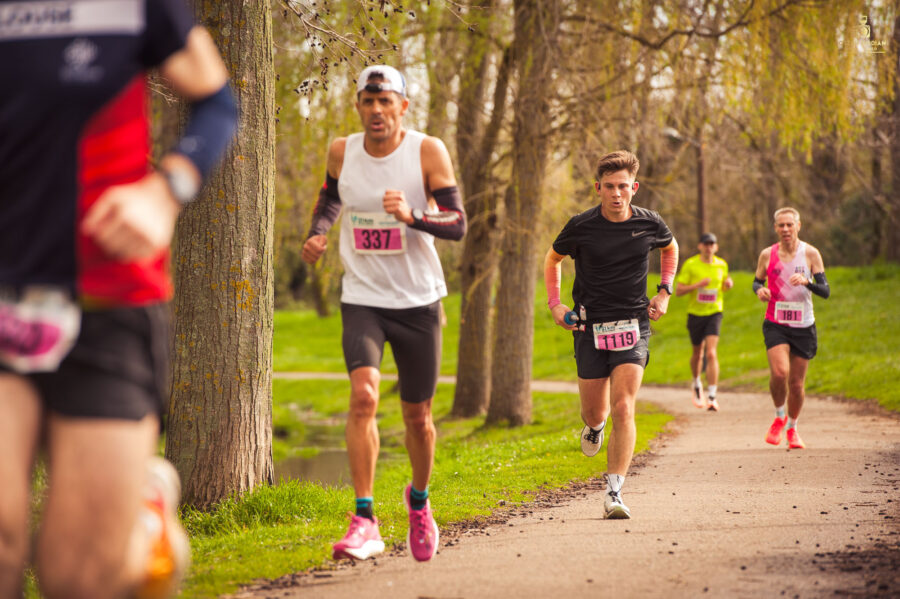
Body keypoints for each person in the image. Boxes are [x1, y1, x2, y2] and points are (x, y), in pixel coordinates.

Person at [0, 2, 237, 598]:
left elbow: (216, 101)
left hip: (106, 306)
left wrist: (165, 191)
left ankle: (146, 522)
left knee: (76, 579)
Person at [301, 65, 466, 562]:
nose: (376, 111)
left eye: (385, 102)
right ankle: (365, 518)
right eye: (367, 102)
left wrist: (412, 216)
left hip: (417, 301)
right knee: (363, 396)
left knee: (417, 416)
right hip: (363, 296)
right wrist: (319, 232)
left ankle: (418, 502)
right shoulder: (341, 150)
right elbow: (330, 198)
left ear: (403, 106)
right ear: (359, 106)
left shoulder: (426, 150)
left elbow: (457, 224)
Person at [544, 150, 678, 519]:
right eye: (609, 187)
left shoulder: (650, 223)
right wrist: (556, 304)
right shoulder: (581, 226)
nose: (616, 193)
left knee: (624, 406)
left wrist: (664, 291)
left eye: (623, 186)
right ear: (598, 188)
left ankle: (614, 492)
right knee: (595, 411)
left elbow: (670, 248)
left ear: (634, 188)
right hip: (588, 326)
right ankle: (594, 426)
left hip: (634, 323)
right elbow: (552, 259)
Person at [753, 207, 829, 449]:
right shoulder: (767, 254)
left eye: (789, 225)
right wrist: (759, 290)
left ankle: (793, 428)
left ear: (798, 226)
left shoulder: (811, 254)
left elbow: (825, 291)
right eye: (781, 225)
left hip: (804, 324)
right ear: (775, 228)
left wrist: (807, 282)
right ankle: (778, 416)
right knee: (779, 373)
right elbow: (757, 280)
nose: (785, 229)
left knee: (796, 384)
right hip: (776, 322)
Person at [675, 232, 733, 411]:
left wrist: (728, 284)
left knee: (711, 353)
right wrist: (697, 285)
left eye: (712, 244)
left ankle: (713, 396)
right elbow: (679, 290)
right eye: (705, 244)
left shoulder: (721, 264)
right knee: (697, 353)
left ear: (716, 247)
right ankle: (697, 382)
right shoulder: (691, 264)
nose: (709, 247)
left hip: (714, 312)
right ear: (700, 246)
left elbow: (723, 283)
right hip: (695, 313)